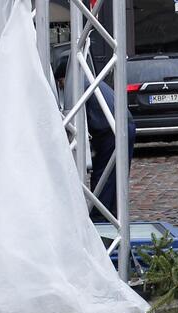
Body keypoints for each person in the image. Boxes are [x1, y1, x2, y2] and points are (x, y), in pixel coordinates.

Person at [53, 55, 136, 222]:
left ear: (64, 78)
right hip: (121, 125)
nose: (61, 87)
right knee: (115, 174)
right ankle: (112, 213)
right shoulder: (88, 81)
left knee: (104, 175)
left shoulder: (78, 87)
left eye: (60, 82)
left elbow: (75, 122)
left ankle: (100, 216)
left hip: (112, 130)